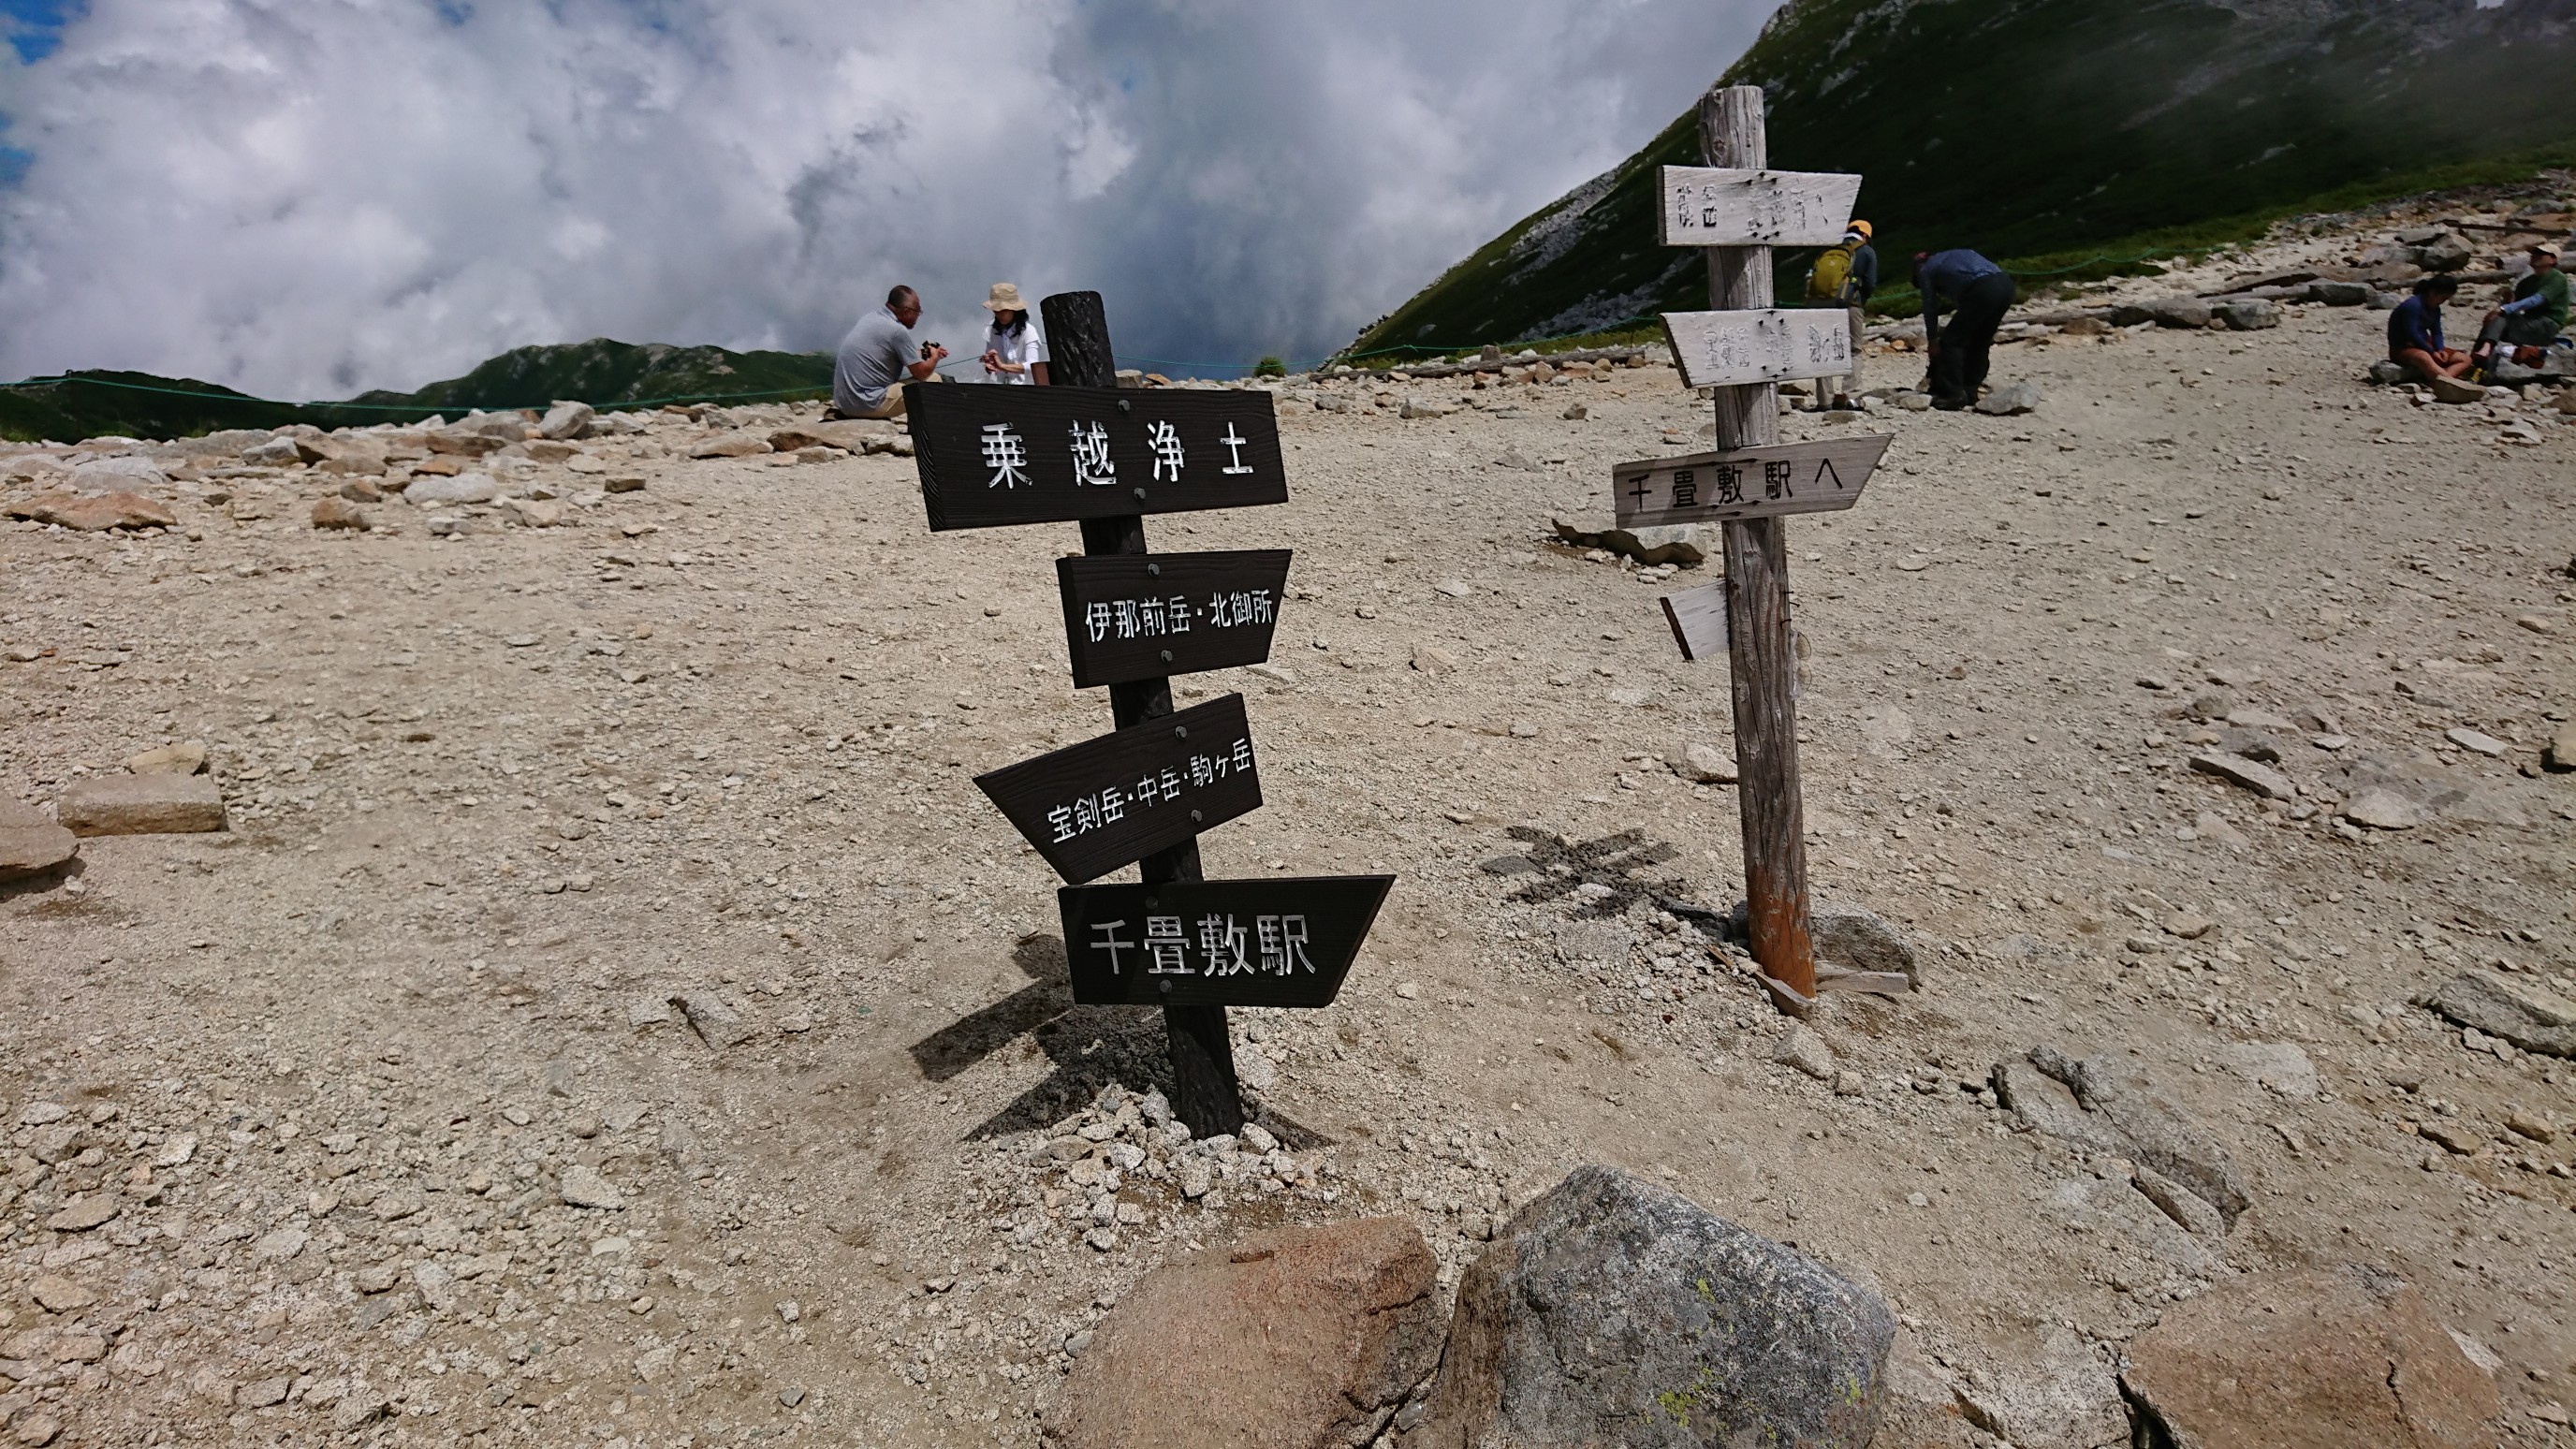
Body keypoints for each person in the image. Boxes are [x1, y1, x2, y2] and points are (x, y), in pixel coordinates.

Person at [1914, 248, 2015, 409]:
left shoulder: (1926, 269)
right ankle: (1970, 390)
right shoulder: (1956, 255)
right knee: (1980, 341)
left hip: (1982, 289)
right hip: (2006, 285)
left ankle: (1953, 393)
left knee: (1950, 341)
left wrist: (1933, 339)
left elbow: (1930, 306)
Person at [829, 285, 946, 420]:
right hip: (867, 404)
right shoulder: (897, 331)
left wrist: (925, 353)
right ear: (907, 311)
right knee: (933, 379)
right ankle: (928, 429)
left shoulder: (871, 318)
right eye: (917, 312)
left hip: (845, 403)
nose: (918, 316)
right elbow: (921, 372)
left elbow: (899, 353)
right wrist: (935, 358)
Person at [1803, 221, 1878, 408]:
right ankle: (1851, 396)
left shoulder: (1830, 251)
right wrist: (1860, 301)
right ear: (1866, 236)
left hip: (1820, 305)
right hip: (1849, 304)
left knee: (1822, 349)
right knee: (1854, 349)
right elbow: (1870, 283)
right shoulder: (1866, 251)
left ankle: (1824, 400)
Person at [2471, 242, 2567, 374]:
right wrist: (2502, 306)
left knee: (2502, 317)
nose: (2535, 256)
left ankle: (2481, 355)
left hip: (2547, 325)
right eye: (2535, 253)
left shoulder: (2557, 278)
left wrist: (2504, 309)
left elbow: (2537, 300)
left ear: (2553, 259)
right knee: (2497, 320)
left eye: (2541, 254)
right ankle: (2481, 356)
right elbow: (2513, 301)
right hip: (2529, 323)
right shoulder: (2527, 282)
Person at [2387, 273, 2470, 384]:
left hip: (2425, 345)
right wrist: (2431, 351)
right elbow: (2412, 334)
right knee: (2424, 357)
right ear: (2432, 293)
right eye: (2443, 298)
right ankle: (2446, 380)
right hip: (2403, 348)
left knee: (2464, 359)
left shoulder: (2435, 309)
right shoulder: (2413, 306)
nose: (2443, 301)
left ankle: (2443, 379)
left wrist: (2440, 349)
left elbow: (2436, 332)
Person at [976, 282, 1050, 386]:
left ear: (1014, 310)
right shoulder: (991, 331)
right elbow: (990, 361)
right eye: (996, 310)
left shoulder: (1029, 331)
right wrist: (989, 366)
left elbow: (1033, 365)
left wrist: (1002, 366)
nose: (999, 314)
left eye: (1004, 310)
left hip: (1026, 388)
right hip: (998, 387)